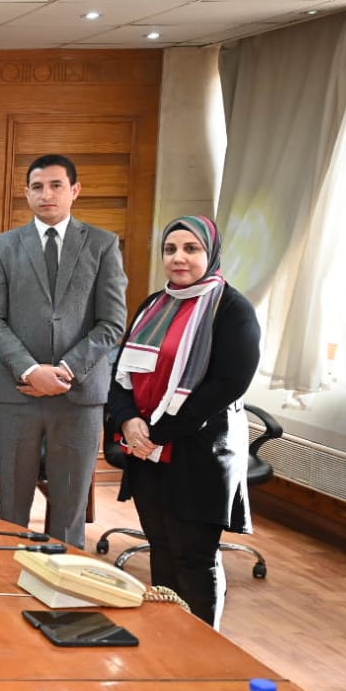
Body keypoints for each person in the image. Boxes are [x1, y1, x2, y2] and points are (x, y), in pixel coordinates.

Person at [108, 216, 260, 626]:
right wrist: (127, 421)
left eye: (191, 249)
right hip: (148, 452)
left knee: (194, 557)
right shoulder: (153, 305)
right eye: (170, 249)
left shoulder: (232, 310)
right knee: (160, 547)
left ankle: (203, 647)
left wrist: (154, 433)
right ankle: (167, 638)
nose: (179, 257)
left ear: (211, 254)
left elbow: (227, 385)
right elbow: (121, 372)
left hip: (200, 455)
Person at [0, 153, 127, 547]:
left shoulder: (102, 244)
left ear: (74, 190)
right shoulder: (2, 247)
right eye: (37, 187)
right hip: (17, 394)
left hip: (79, 395)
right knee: (11, 505)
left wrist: (64, 370)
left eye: (56, 185)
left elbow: (112, 323)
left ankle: (63, 582)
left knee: (69, 508)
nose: (46, 194)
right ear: (26, 193)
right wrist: (31, 370)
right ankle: (5, 576)